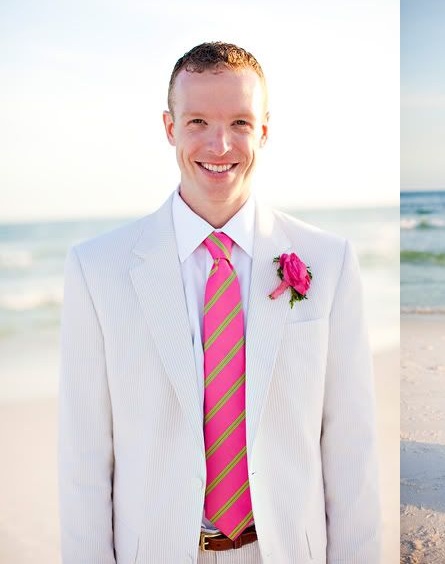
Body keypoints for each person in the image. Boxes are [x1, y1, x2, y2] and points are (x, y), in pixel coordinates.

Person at [58, 42, 381, 563]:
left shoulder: (330, 262)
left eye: (240, 123)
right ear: (169, 128)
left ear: (265, 131)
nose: (219, 143)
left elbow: (352, 452)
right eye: (198, 122)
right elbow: (83, 464)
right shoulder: (98, 271)